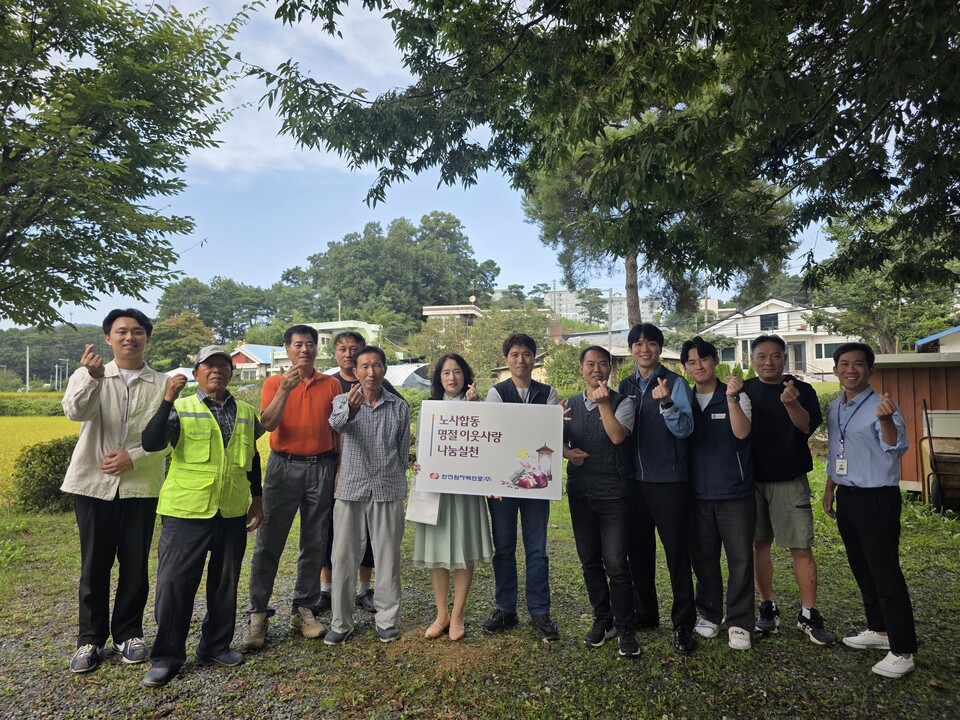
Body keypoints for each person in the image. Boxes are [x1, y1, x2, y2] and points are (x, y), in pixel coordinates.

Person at [139, 346, 264, 688]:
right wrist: (166, 399)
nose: (217, 371)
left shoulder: (246, 412)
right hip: (185, 511)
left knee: (224, 584)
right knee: (175, 586)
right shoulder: (181, 407)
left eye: (223, 366)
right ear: (196, 374)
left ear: (232, 374)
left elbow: (251, 458)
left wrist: (258, 497)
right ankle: (166, 658)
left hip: (232, 510)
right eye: (209, 366)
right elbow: (150, 443)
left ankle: (215, 646)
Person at [61, 309, 169, 673]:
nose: (129, 338)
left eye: (137, 332)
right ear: (108, 338)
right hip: (92, 483)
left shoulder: (161, 383)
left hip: (140, 485)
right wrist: (92, 378)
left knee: (136, 562)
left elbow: (169, 437)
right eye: (121, 332)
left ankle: (129, 633)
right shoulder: (88, 373)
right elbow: (75, 412)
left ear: (147, 338)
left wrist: (133, 457)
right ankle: (89, 639)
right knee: (94, 562)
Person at [242, 325, 341, 651]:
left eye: (310, 344)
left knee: (314, 540)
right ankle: (258, 613)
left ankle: (304, 608)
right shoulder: (273, 382)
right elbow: (267, 424)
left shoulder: (332, 383)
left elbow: (339, 428)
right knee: (269, 541)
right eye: (298, 344)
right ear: (287, 348)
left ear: (316, 349)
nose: (305, 350)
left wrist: (339, 468)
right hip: (283, 467)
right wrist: (285, 389)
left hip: (322, 467)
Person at [823, 342, 916, 679]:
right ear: (835, 370)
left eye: (858, 364)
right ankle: (879, 630)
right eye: (844, 364)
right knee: (861, 567)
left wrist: (887, 420)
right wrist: (829, 489)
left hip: (878, 498)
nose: (851, 370)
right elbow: (837, 451)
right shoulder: (835, 408)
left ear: (870, 370)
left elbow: (895, 447)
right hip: (848, 497)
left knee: (885, 571)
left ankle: (903, 650)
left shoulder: (883, 406)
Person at [741, 335, 834, 644]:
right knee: (759, 544)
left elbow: (806, 427)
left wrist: (791, 402)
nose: (769, 361)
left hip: (790, 479)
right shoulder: (744, 391)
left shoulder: (801, 390)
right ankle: (767, 607)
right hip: (752, 481)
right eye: (762, 356)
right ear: (752, 359)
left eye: (776, 356)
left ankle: (809, 612)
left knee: (801, 546)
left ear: (785, 358)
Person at [617, 323, 697, 654]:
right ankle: (646, 613)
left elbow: (687, 429)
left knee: (677, 554)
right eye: (637, 344)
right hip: (635, 482)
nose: (644, 349)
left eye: (650, 343)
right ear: (632, 350)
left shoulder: (675, 383)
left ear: (660, 349)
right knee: (639, 554)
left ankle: (683, 625)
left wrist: (666, 405)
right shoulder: (626, 384)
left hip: (669, 482)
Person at [324, 346, 411, 645]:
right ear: (355, 371)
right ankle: (341, 622)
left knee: (388, 557)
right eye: (364, 366)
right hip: (351, 487)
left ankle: (386, 620)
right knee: (344, 556)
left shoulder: (399, 408)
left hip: (388, 488)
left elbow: (402, 452)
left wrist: (398, 479)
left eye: (376, 366)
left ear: (384, 370)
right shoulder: (341, 401)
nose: (371, 372)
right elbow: (335, 425)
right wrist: (352, 407)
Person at [483, 333, 561, 641]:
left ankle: (540, 611)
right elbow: (494, 435)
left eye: (527, 354)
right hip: (503, 484)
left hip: (538, 485)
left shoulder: (549, 392)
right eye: (514, 354)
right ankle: (505, 608)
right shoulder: (496, 393)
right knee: (503, 547)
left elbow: (551, 434)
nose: (521, 360)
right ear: (506, 360)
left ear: (534, 358)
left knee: (537, 549)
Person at [563, 346, 639, 656]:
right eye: (590, 364)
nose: (596, 369)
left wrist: (604, 402)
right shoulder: (567, 406)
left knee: (617, 564)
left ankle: (625, 626)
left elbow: (617, 436)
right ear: (581, 369)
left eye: (602, 364)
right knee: (590, 561)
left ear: (610, 369)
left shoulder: (623, 402)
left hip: (614, 494)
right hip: (581, 493)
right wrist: (567, 451)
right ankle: (602, 620)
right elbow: (552, 442)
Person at [682, 337, 755, 651]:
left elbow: (742, 432)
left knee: (740, 559)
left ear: (715, 362)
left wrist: (733, 399)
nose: (698, 366)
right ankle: (709, 614)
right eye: (692, 362)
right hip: (696, 494)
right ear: (685, 367)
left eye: (704, 359)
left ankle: (739, 622)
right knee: (704, 559)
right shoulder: (682, 398)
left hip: (734, 493)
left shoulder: (736, 395)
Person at [412, 354, 492, 642]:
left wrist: (475, 409)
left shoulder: (479, 407)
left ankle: (457, 615)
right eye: (446, 373)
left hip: (467, 491)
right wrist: (418, 463)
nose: (452, 378)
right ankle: (441, 613)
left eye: (457, 372)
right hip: (437, 490)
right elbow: (423, 447)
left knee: (464, 550)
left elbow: (487, 445)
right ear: (439, 378)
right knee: (437, 554)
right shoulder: (430, 409)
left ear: (465, 376)